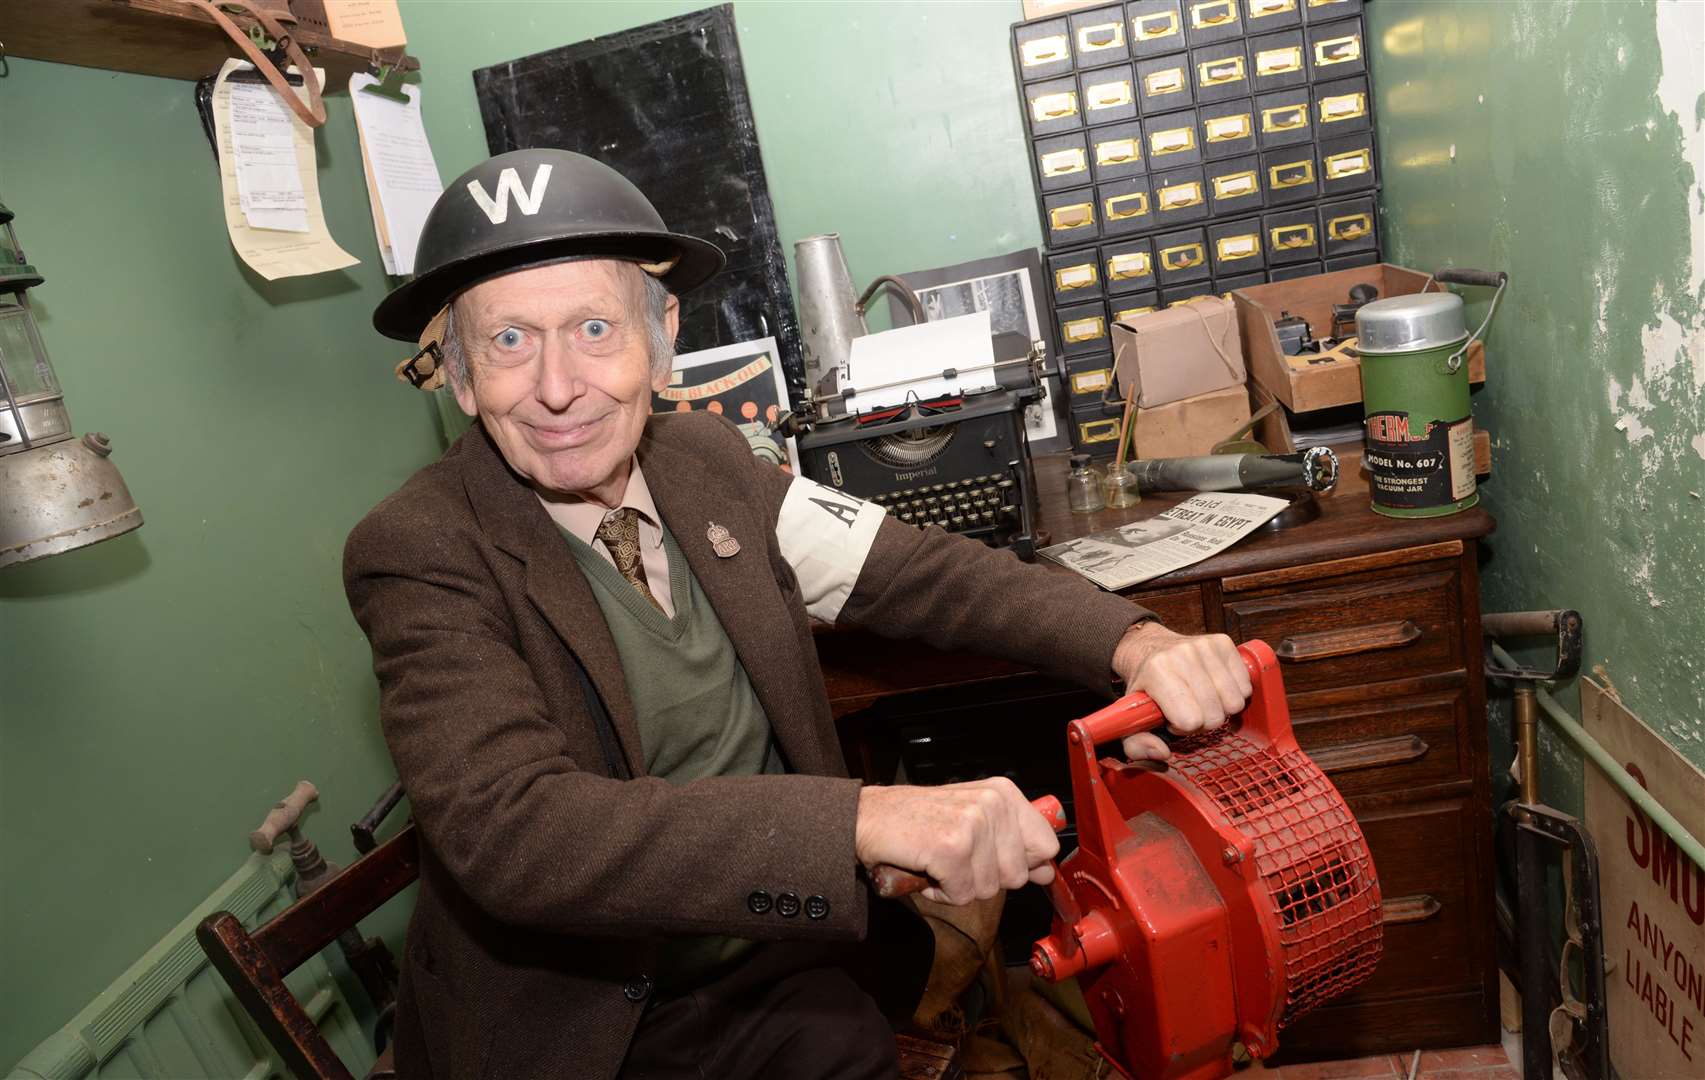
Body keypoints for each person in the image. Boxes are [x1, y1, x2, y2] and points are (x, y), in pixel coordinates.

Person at [345, 149, 1253, 1080]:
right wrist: (861, 822)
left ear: (660, 336)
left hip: (777, 954)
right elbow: (515, 833)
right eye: (506, 343)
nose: (556, 386)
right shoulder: (419, 548)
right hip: (592, 1026)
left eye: (591, 328)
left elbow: (922, 575)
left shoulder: (703, 458)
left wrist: (1130, 639)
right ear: (457, 376)